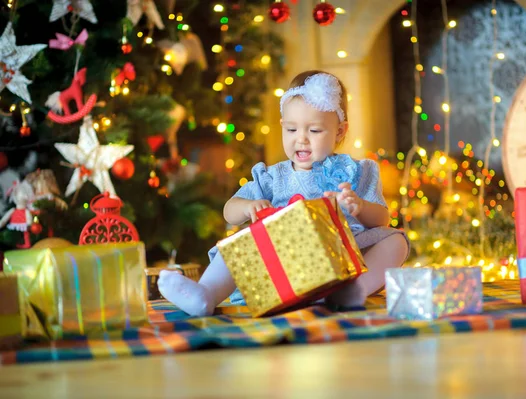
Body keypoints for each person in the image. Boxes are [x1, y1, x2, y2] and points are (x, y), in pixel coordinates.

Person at [158, 70, 410, 316]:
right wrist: (247, 207)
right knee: (239, 243)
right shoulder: (271, 176)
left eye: (314, 131)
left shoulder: (355, 171)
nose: (301, 139)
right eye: (291, 130)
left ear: (340, 131)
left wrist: (360, 207)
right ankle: (205, 294)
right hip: (282, 263)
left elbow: (382, 220)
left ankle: (352, 292)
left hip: (340, 261)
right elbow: (229, 211)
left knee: (396, 241)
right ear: (282, 126)